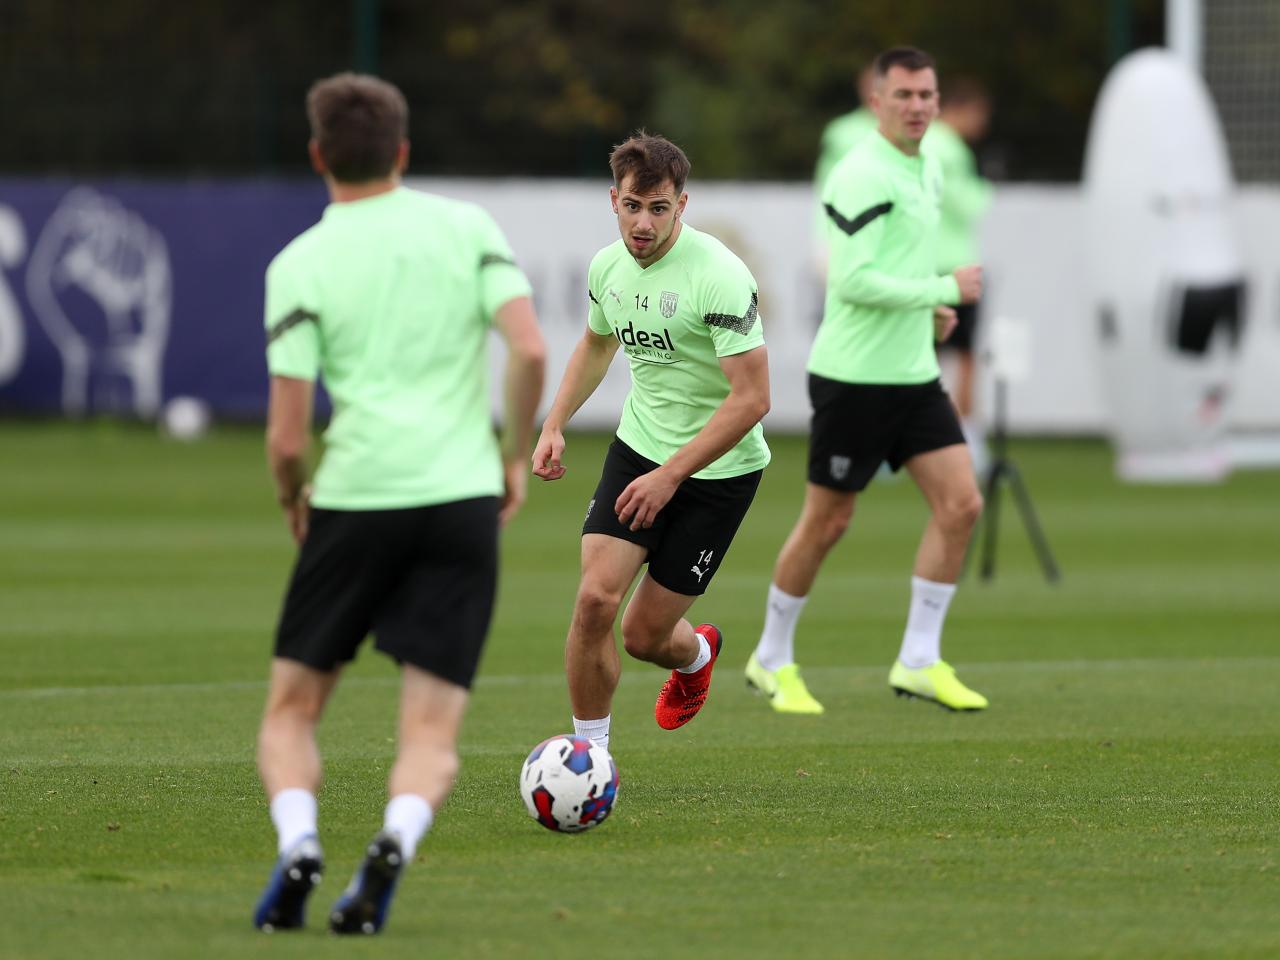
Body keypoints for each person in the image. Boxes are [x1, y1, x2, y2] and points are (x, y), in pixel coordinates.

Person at [252, 72, 545, 935]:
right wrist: (512, 456)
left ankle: (300, 844)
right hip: (460, 499)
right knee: (429, 733)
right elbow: (529, 349)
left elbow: (285, 439)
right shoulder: (467, 227)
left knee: (292, 712)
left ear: (318, 156)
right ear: (403, 152)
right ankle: (394, 841)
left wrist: (293, 497)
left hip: (355, 497)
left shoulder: (297, 263)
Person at [745, 47, 987, 715]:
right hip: (854, 378)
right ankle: (771, 657)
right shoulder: (860, 173)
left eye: (926, 95)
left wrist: (926, 311)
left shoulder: (929, 165)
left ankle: (919, 660)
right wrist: (942, 288)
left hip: (914, 376)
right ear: (876, 101)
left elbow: (895, 266)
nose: (917, 106)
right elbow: (850, 279)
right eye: (903, 95)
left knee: (962, 504)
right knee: (828, 521)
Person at [532, 132, 771, 752]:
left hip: (720, 472)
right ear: (614, 199)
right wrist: (554, 423)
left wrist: (671, 476)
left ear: (681, 205)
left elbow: (752, 399)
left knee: (642, 637)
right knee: (593, 603)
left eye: (658, 208)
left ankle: (696, 657)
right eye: (633, 206)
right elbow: (596, 345)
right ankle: (591, 758)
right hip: (638, 450)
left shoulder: (719, 275)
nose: (643, 224)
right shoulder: (606, 267)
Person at [929, 77, 994, 474]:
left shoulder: (920, 144)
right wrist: (984, 187)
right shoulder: (950, 149)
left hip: (926, 267)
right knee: (965, 356)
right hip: (955, 268)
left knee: (924, 357)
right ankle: (962, 439)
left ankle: (909, 440)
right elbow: (968, 204)